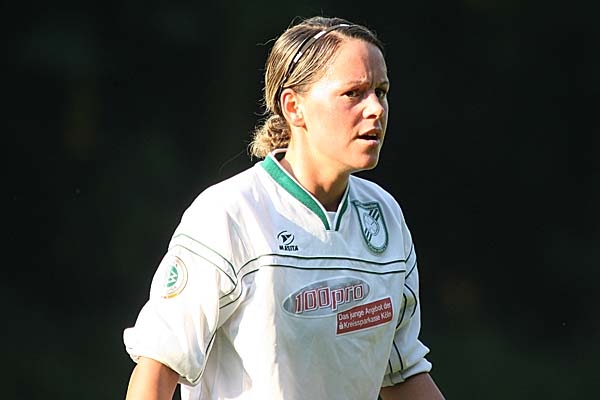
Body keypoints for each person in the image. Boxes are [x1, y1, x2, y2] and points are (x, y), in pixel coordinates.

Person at [123, 15, 445, 400]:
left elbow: (401, 375)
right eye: (354, 93)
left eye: (381, 91)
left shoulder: (385, 216)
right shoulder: (229, 213)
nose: (375, 108)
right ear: (294, 107)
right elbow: (158, 368)